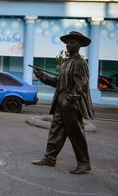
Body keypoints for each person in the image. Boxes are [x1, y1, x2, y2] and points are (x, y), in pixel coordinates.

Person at [32, 31, 94, 174]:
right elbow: (58, 83)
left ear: (79, 45)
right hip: (60, 103)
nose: (68, 45)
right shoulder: (67, 62)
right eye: (68, 42)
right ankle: (49, 158)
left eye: (72, 42)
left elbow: (81, 84)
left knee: (76, 133)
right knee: (55, 131)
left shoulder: (79, 62)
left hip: (71, 104)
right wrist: (42, 77)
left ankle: (84, 163)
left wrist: (70, 98)